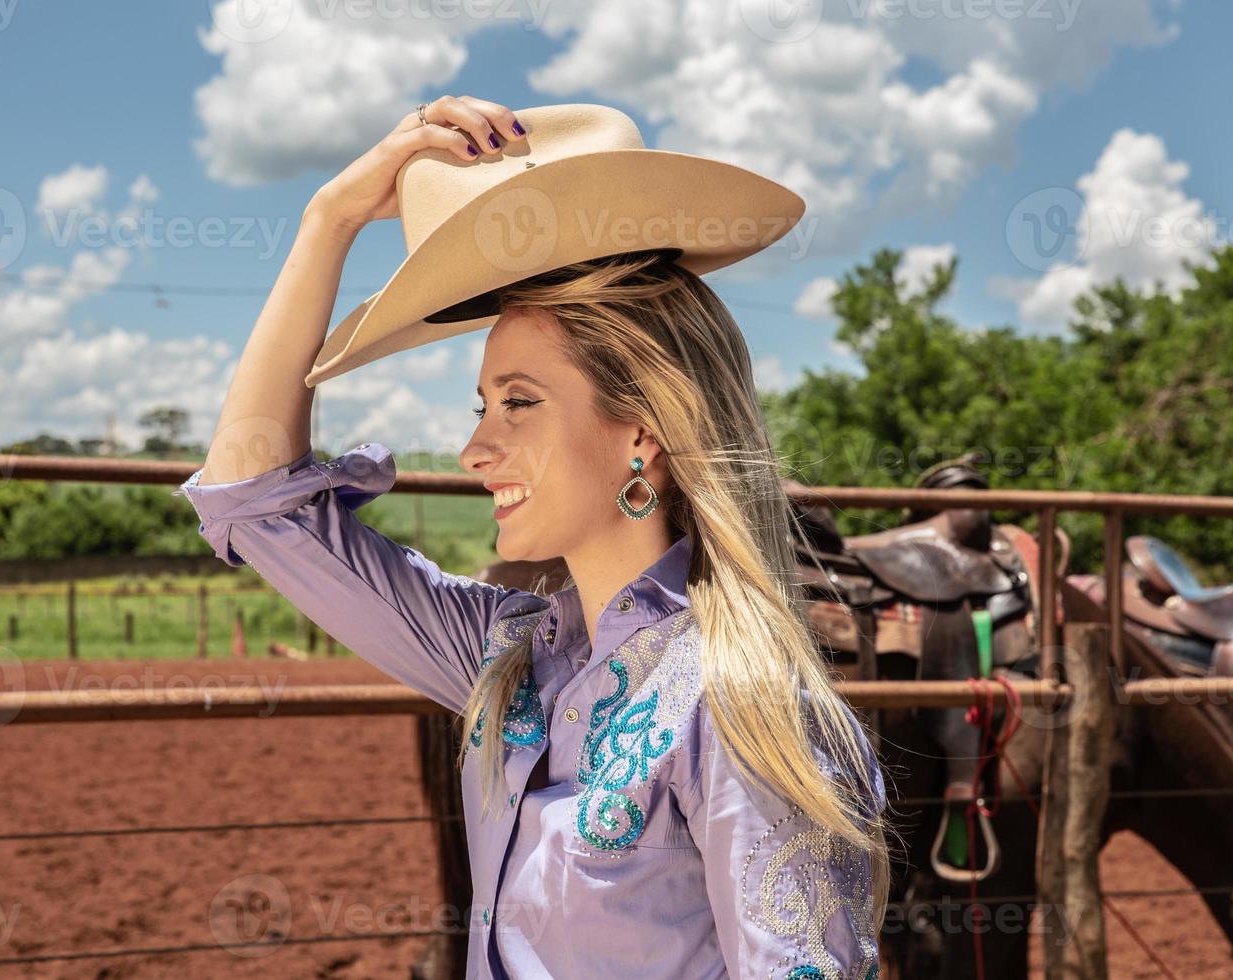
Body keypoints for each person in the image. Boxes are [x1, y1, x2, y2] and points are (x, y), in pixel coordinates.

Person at [177, 96, 890, 979]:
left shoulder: (742, 706)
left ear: (643, 431)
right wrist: (329, 220)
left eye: (519, 402)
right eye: (485, 405)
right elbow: (253, 503)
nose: (478, 448)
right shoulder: (508, 656)